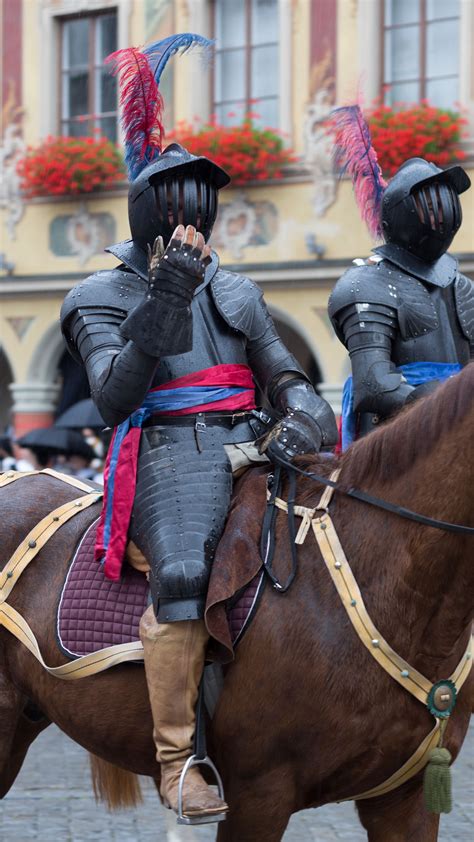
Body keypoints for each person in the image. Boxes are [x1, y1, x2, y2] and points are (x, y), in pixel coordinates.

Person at [60, 35, 338, 824]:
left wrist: (299, 426)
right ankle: (180, 760)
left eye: (201, 195)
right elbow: (115, 396)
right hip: (164, 451)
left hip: (251, 441)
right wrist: (167, 293)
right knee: (182, 570)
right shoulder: (99, 292)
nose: (194, 212)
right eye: (178, 196)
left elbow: (295, 384)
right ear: (149, 207)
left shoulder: (239, 289)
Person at [328, 156, 473, 448]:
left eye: (443, 205)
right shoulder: (365, 284)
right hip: (397, 440)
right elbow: (373, 384)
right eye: (429, 207)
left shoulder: (463, 286)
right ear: (401, 214)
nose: (440, 217)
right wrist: (447, 403)